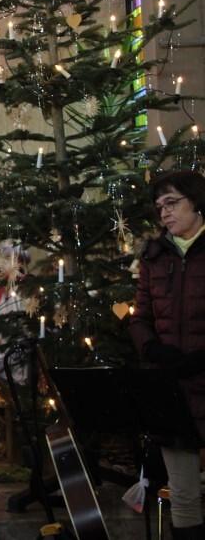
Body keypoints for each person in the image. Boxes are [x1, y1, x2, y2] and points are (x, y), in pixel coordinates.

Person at [130, 171, 205, 539]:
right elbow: (139, 318)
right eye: (159, 207)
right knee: (183, 496)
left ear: (197, 202)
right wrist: (153, 348)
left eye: (172, 203)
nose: (164, 212)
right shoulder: (155, 256)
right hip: (172, 390)